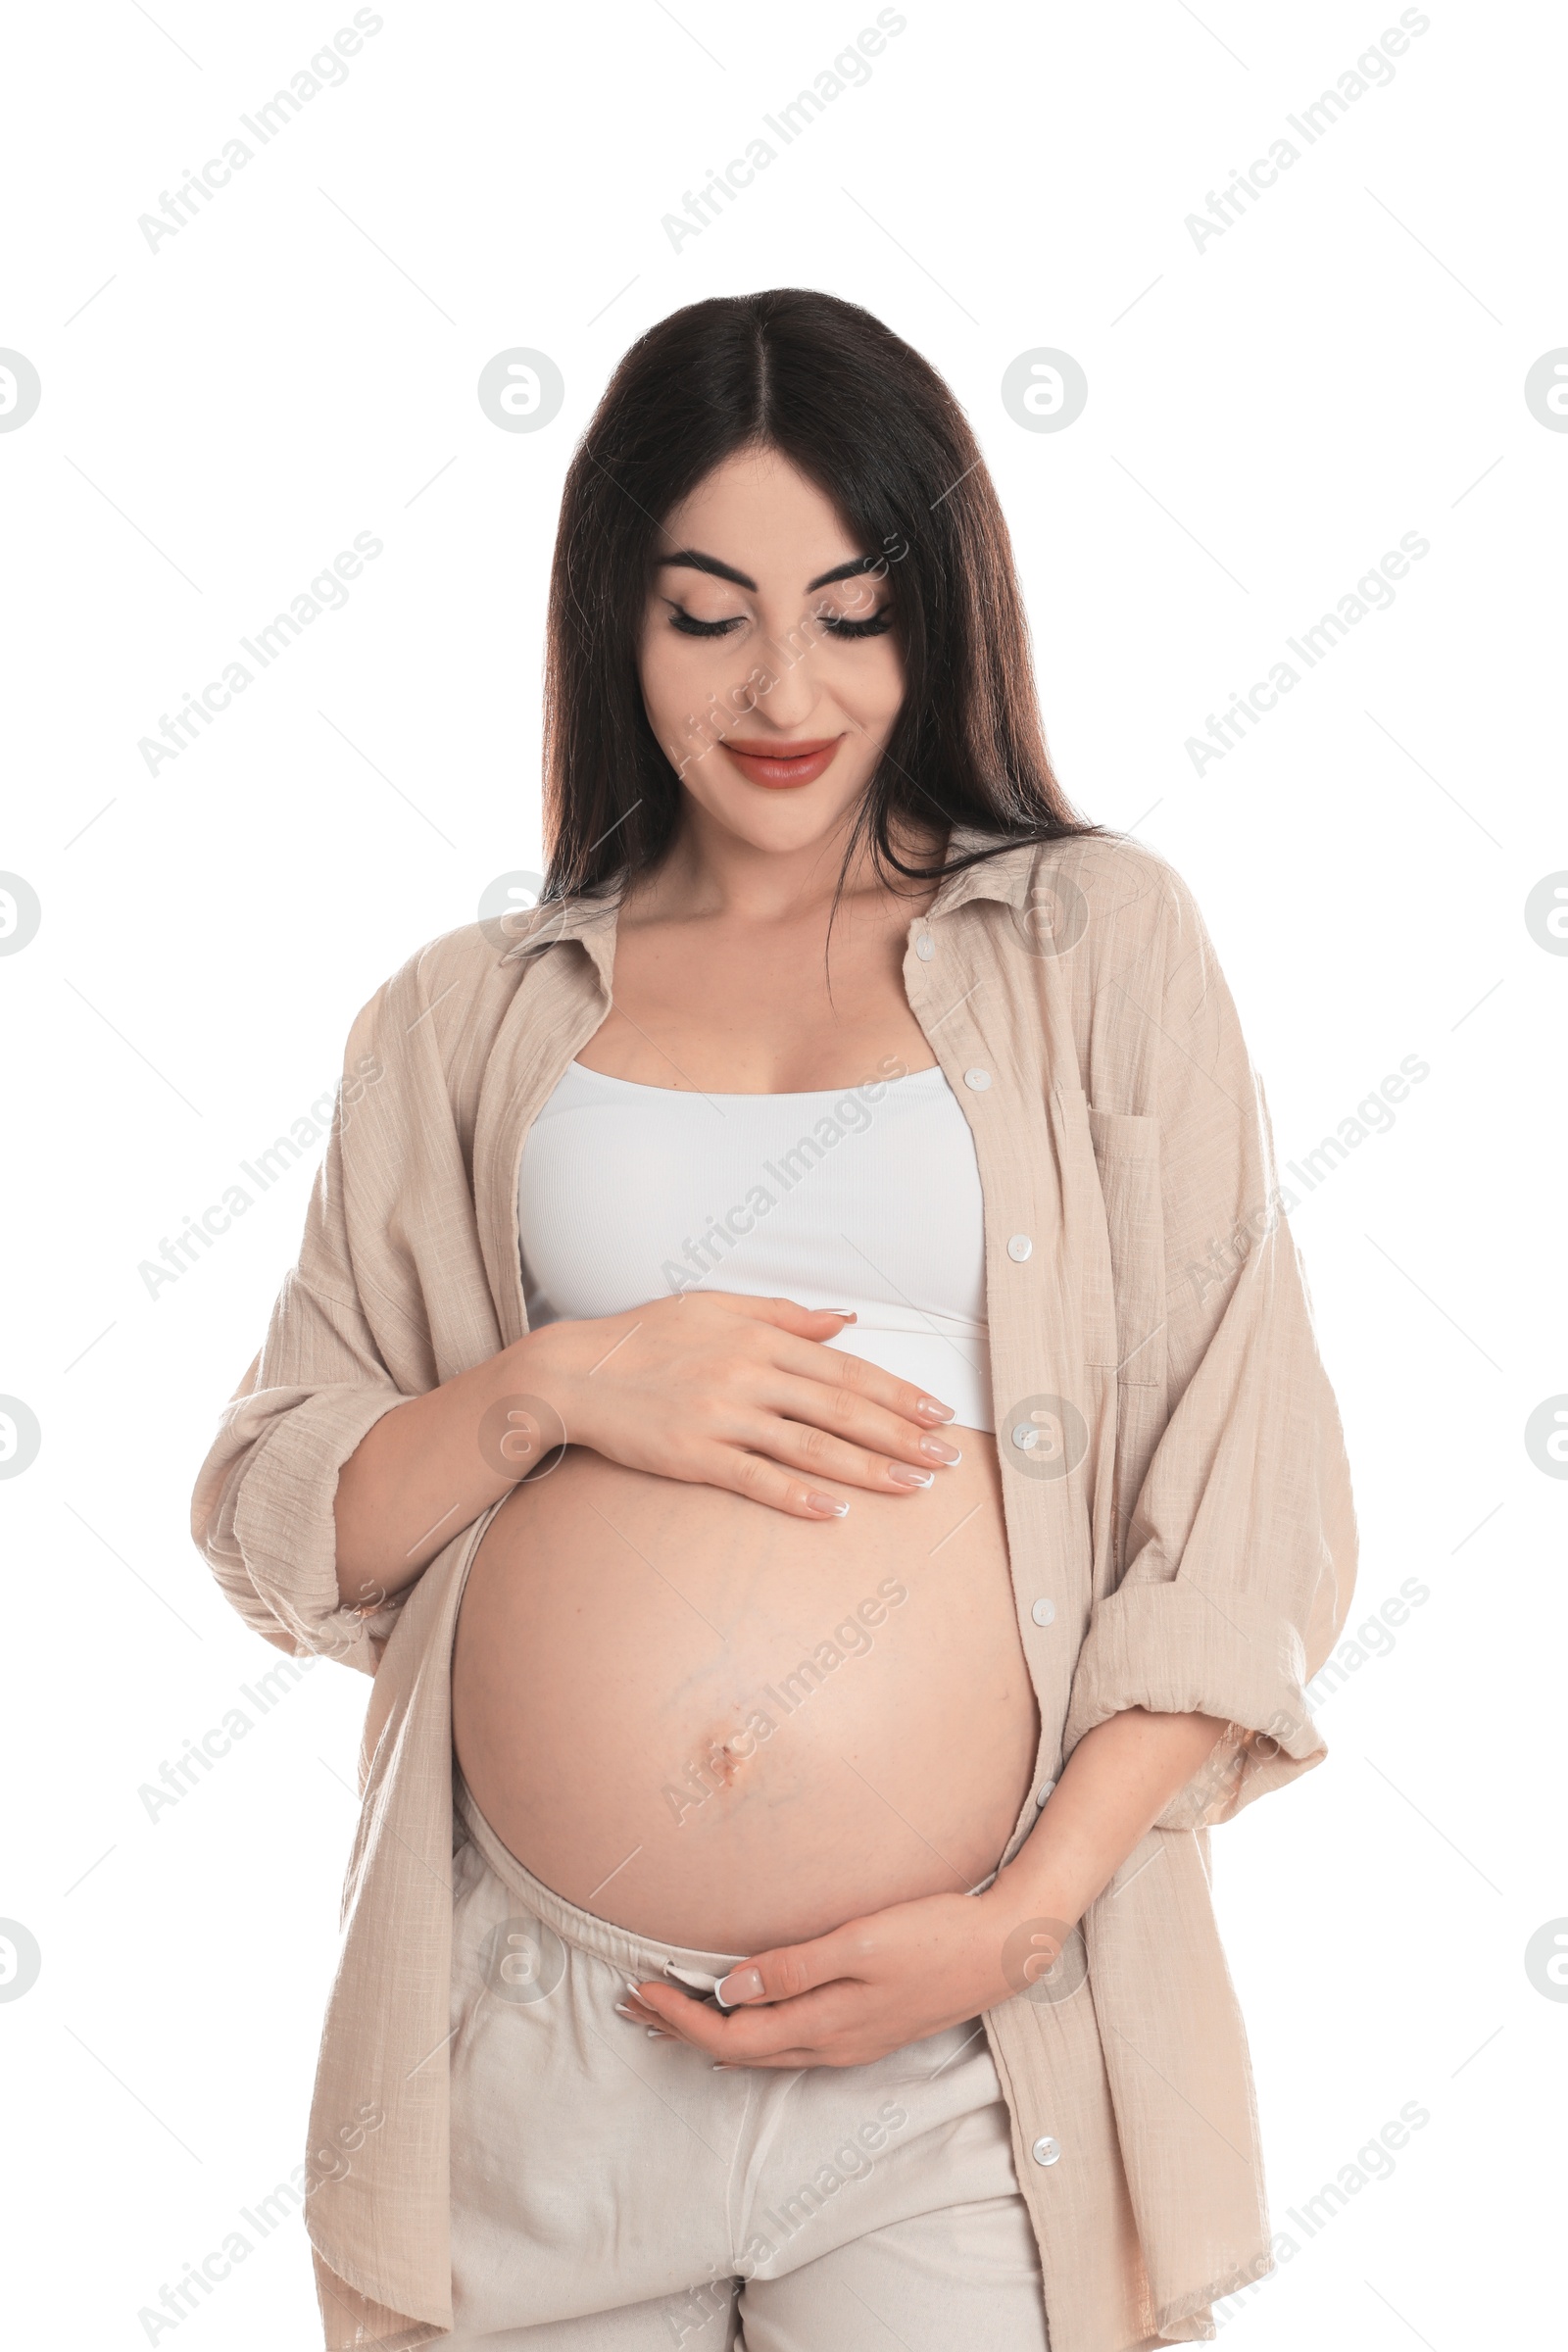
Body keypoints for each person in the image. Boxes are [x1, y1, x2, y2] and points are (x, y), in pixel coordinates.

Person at [193, 287, 1356, 2352]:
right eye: (705, 610)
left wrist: (1010, 1926)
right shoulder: (460, 1023)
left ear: (940, 618)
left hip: (961, 2057)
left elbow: (1238, 1511)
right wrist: (559, 1383)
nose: (782, 686)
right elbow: (287, 1520)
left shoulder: (1094, 949)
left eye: (849, 606)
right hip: (533, 2043)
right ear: (610, 624)